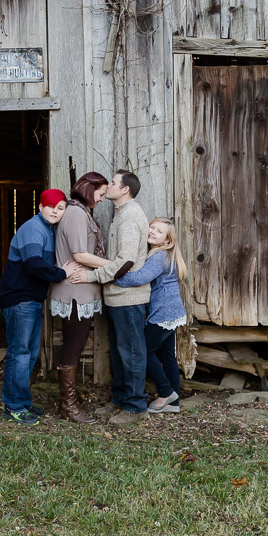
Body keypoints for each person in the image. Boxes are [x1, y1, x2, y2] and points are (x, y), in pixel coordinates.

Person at [70, 169, 149, 425]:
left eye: (113, 183)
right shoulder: (121, 215)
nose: (109, 186)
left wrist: (91, 277)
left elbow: (125, 261)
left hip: (129, 298)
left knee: (131, 353)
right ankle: (120, 399)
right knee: (118, 351)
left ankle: (135, 406)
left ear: (125, 189)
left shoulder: (130, 217)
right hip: (116, 297)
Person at [0, 189, 75, 426]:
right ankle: (13, 407)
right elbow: (33, 264)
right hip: (20, 299)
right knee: (20, 354)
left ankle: (21, 401)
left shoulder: (46, 230)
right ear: (41, 206)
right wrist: (62, 273)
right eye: (51, 206)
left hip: (30, 300)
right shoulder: (33, 228)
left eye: (60, 208)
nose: (55, 211)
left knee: (29, 354)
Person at [48, 172, 110, 423]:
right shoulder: (75, 213)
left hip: (83, 292)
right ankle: (68, 407)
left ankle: (69, 403)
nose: (103, 199)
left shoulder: (82, 213)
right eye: (101, 193)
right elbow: (80, 254)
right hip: (74, 292)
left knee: (75, 344)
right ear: (89, 188)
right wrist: (115, 265)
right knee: (73, 348)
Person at [113, 218, 188, 413]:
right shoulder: (165, 255)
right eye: (152, 227)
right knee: (167, 356)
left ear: (167, 240)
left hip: (163, 313)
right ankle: (173, 402)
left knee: (143, 351)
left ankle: (165, 392)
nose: (153, 231)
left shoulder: (158, 256)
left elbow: (140, 278)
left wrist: (114, 276)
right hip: (173, 311)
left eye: (159, 231)